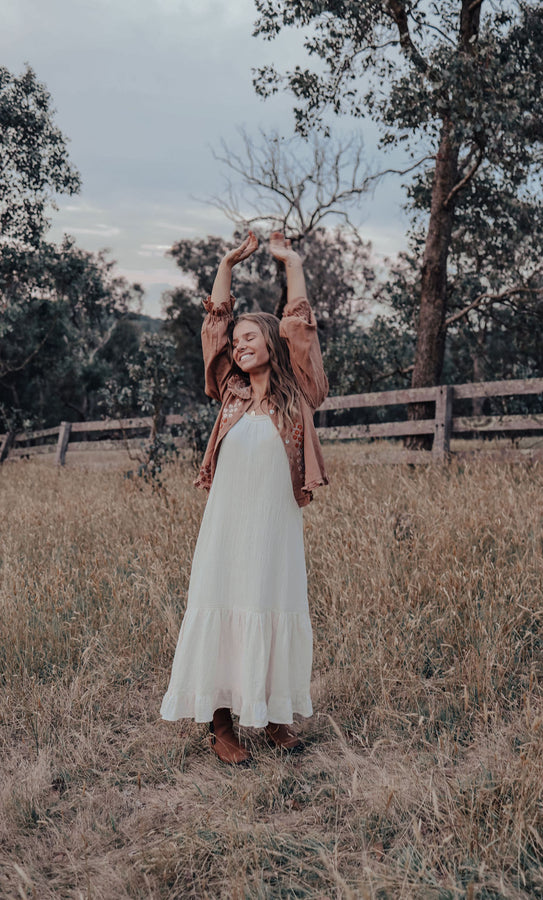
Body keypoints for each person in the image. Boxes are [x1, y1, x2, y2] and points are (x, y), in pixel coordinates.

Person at [160, 231, 329, 765]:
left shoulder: (299, 393)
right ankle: (221, 723)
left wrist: (292, 263)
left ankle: (273, 715)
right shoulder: (228, 392)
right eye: (237, 342)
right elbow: (214, 325)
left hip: (275, 527)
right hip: (227, 526)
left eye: (250, 337)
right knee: (223, 603)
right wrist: (225, 266)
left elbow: (300, 323)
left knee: (272, 603)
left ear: (273, 344)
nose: (238, 345)